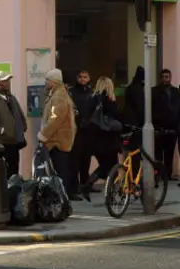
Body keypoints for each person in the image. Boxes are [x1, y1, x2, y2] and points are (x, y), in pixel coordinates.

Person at [37, 69, 80, 201]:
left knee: (60, 175)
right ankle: (61, 200)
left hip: (57, 142)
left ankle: (61, 202)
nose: (45, 82)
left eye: (47, 80)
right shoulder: (57, 93)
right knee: (60, 173)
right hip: (58, 141)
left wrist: (43, 136)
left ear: (53, 82)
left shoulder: (59, 96)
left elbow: (55, 119)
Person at [80, 77, 122, 202]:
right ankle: (111, 196)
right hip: (108, 140)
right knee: (112, 168)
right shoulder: (109, 100)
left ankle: (88, 185)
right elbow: (117, 118)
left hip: (94, 140)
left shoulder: (91, 99)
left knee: (105, 167)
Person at [152, 69, 179, 181]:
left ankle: (168, 174)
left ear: (170, 78)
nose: (165, 79)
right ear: (160, 78)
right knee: (158, 152)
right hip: (159, 126)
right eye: (163, 77)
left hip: (172, 126)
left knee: (169, 152)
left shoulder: (175, 91)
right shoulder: (155, 91)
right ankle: (158, 174)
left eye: (167, 77)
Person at [69, 70, 94, 192]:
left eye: (85, 77)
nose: (82, 79)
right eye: (80, 77)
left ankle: (85, 183)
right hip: (77, 129)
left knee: (86, 157)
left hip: (88, 130)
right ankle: (75, 185)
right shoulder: (72, 92)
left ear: (89, 78)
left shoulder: (91, 92)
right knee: (76, 158)